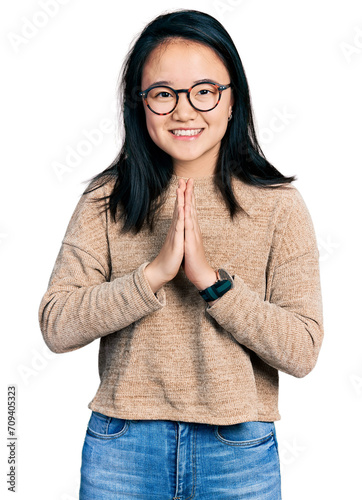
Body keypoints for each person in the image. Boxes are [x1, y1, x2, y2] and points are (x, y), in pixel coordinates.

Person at [38, 8, 324, 500]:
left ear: (233, 100)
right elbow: (57, 325)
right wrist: (150, 276)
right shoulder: (106, 200)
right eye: (164, 94)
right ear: (140, 103)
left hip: (237, 450)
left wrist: (214, 283)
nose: (184, 111)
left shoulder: (278, 206)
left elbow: (302, 351)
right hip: (123, 448)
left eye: (205, 91)